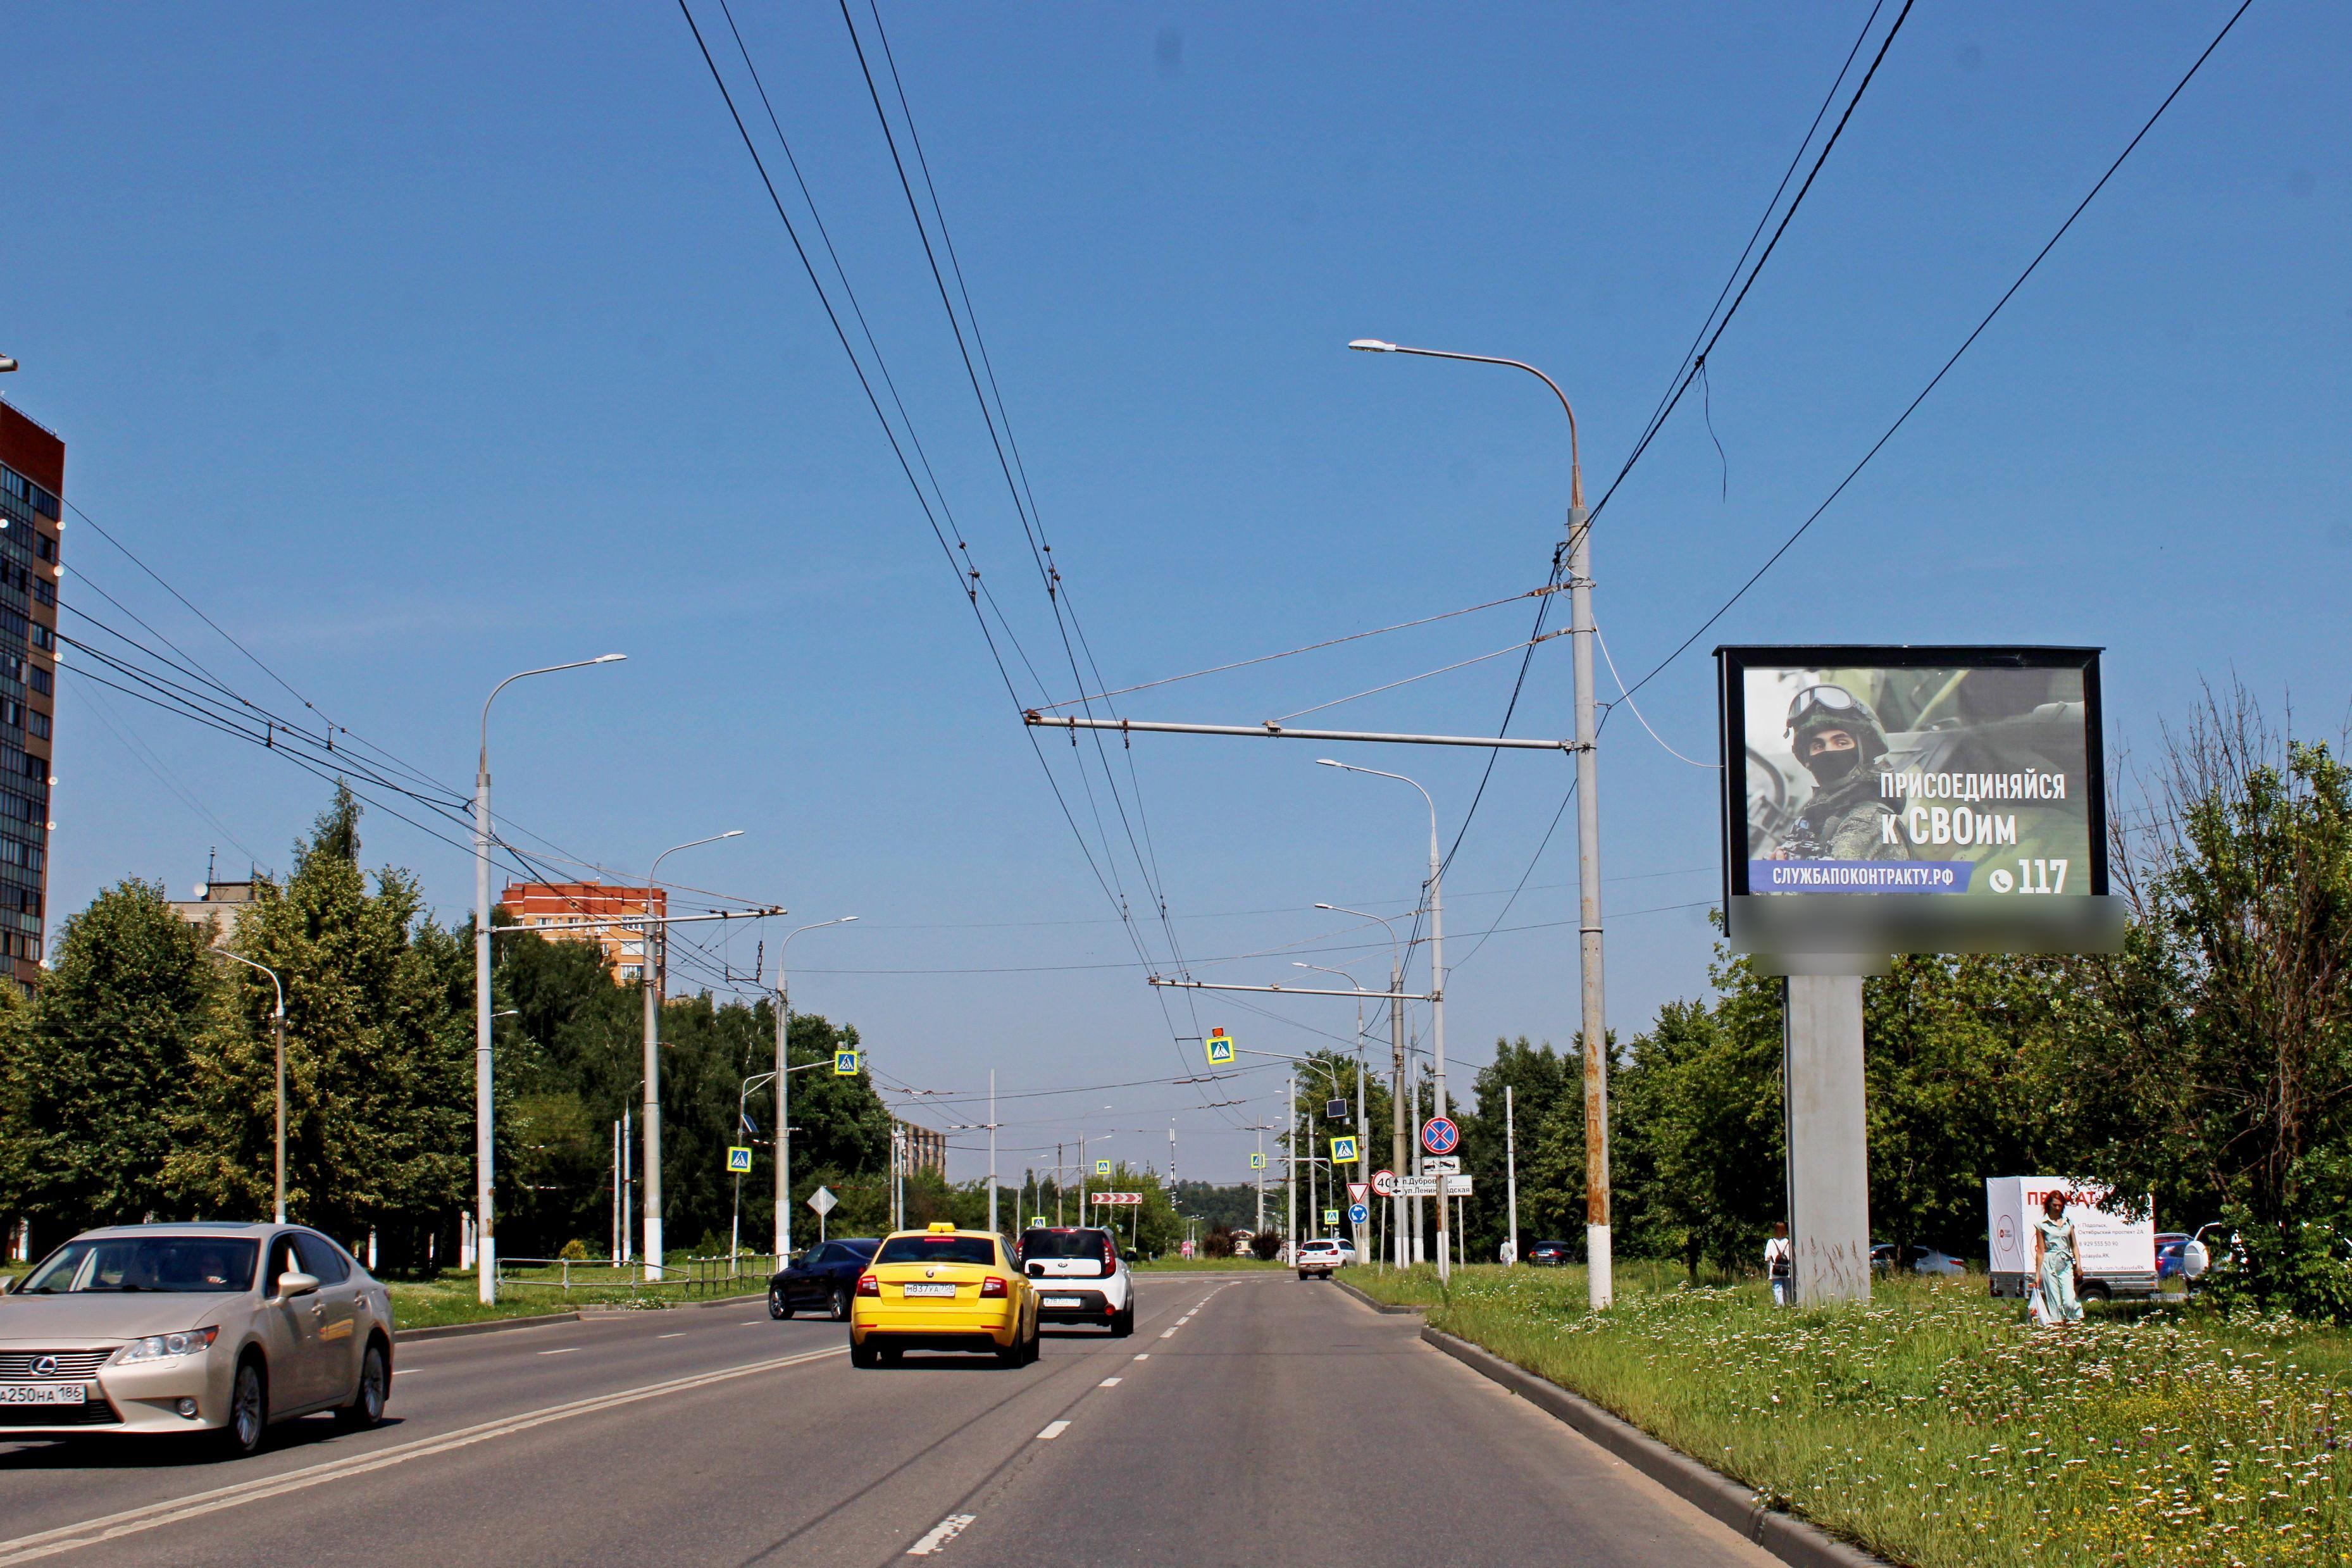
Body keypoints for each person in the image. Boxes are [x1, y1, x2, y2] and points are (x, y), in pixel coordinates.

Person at [1774, 684, 1909, 862]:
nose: (1829, 752)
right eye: (1818, 746)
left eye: (1841, 743)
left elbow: (1829, 885)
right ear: (1808, 758)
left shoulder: (1869, 821)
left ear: (1863, 751)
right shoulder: (1823, 817)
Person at [2031, 1190, 2083, 1327]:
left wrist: (2078, 1265)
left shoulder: (2068, 1223)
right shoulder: (2042, 1224)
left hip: (2065, 1261)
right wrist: (2037, 1275)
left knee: (2069, 1300)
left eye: (2060, 1205)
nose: (2057, 1208)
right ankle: (2058, 1329)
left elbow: (2075, 1246)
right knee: (2054, 1301)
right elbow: (2041, 1251)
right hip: (2049, 1261)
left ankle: (2073, 1324)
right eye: (2055, 1205)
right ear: (2049, 1205)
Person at [1764, 1221, 1793, 1307]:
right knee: (1787, 1290)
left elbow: (1767, 1257)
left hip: (1775, 1270)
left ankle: (1780, 1306)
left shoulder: (1771, 1242)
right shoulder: (1788, 1242)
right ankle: (1788, 1306)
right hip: (1787, 1269)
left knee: (1778, 1289)